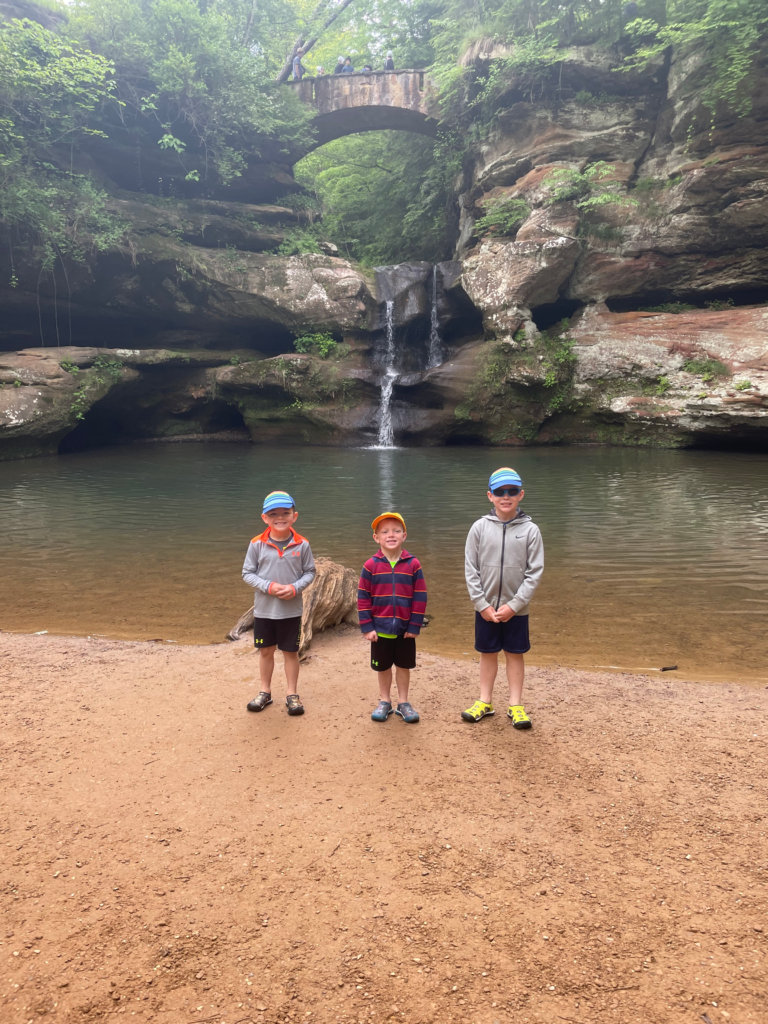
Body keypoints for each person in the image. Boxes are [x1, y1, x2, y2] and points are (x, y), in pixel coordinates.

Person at [462, 468, 544, 728]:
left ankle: (516, 705)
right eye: (499, 492)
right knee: (487, 653)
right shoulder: (479, 528)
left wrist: (514, 605)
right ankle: (485, 701)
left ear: (521, 495)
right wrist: (481, 604)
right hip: (485, 608)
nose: (505, 496)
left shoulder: (531, 530)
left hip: (516, 610)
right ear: (490, 496)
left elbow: (534, 573)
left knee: (514, 653)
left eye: (511, 492)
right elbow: (470, 569)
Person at [242, 490, 316, 717]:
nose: (280, 517)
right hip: (264, 610)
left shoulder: (302, 544)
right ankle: (265, 691)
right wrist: (269, 587)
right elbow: (247, 573)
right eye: (273, 513)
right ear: (265, 518)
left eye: (285, 512)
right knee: (265, 651)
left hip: (291, 611)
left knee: (290, 652)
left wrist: (295, 588)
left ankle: (292, 694)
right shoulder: (256, 544)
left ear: (294, 516)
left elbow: (310, 572)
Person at [358, 513, 427, 724]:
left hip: (405, 630)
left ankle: (403, 702)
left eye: (396, 531)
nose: (391, 535)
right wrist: (367, 627)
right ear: (376, 538)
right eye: (385, 532)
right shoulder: (371, 565)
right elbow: (362, 598)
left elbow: (420, 597)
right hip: (380, 629)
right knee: (383, 667)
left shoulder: (413, 564)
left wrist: (415, 625)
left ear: (404, 536)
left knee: (404, 666)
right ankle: (384, 701)